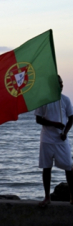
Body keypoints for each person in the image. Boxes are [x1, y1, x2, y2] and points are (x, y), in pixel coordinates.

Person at [35, 75, 73, 206]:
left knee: (69, 166)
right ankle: (47, 197)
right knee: (47, 168)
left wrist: (65, 132)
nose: (61, 85)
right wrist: (55, 124)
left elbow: (71, 118)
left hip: (61, 140)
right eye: (59, 83)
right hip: (46, 139)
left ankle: (72, 197)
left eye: (62, 83)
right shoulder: (44, 100)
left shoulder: (66, 100)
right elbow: (38, 119)